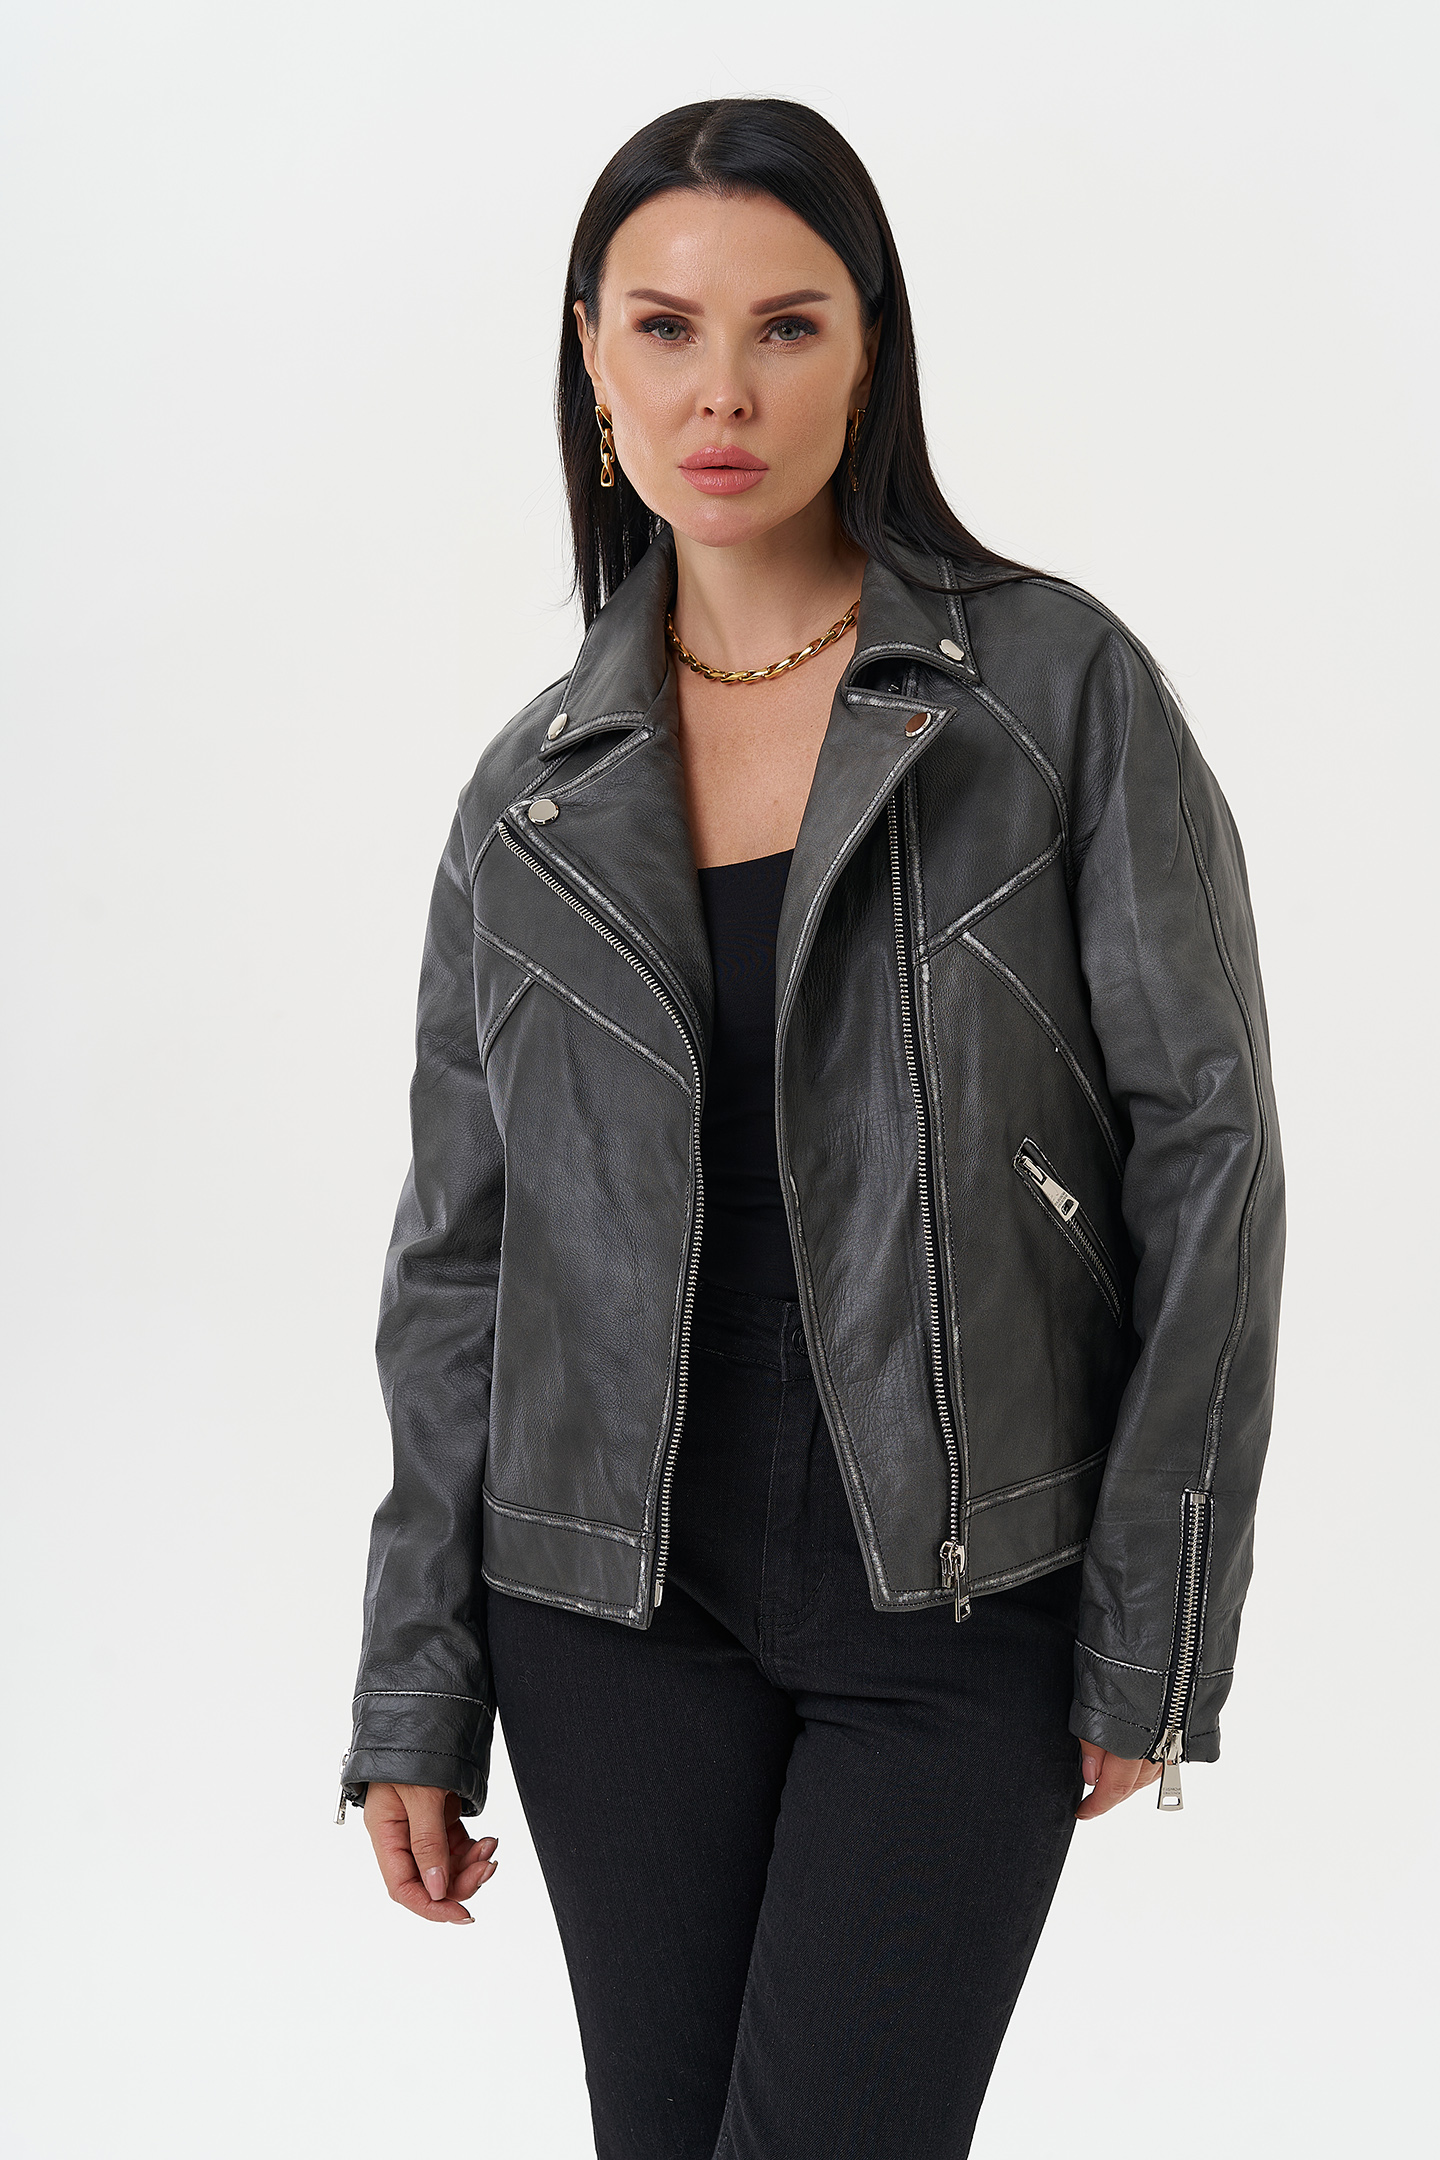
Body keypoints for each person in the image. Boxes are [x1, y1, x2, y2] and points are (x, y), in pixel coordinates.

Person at [337, 96, 1285, 2159]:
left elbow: (1207, 1160)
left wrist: (1155, 1623)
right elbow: (460, 1261)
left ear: (871, 353)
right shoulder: (531, 794)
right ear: (592, 359)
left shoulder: (1052, 696)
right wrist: (417, 1680)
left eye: (787, 325)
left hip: (957, 1591)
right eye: (666, 329)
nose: (724, 391)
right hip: (608, 1617)